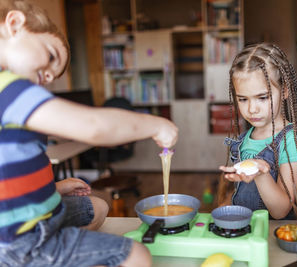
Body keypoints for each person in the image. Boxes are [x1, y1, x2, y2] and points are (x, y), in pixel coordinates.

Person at [0, 1, 177, 266]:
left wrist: (55, 188)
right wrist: (155, 124)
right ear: (14, 25)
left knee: (98, 208)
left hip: (34, 215)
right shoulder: (10, 90)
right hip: (22, 238)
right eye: (50, 56)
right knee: (136, 255)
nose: (48, 76)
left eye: (54, 75)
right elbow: (95, 127)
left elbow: (12, 174)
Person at [218, 43, 297, 224]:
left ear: (285, 91)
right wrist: (221, 213)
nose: (251, 109)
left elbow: (281, 210)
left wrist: (261, 173)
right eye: (242, 99)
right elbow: (239, 193)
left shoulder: (294, 140)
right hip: (245, 232)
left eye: (262, 97)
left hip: (275, 238)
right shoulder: (244, 139)